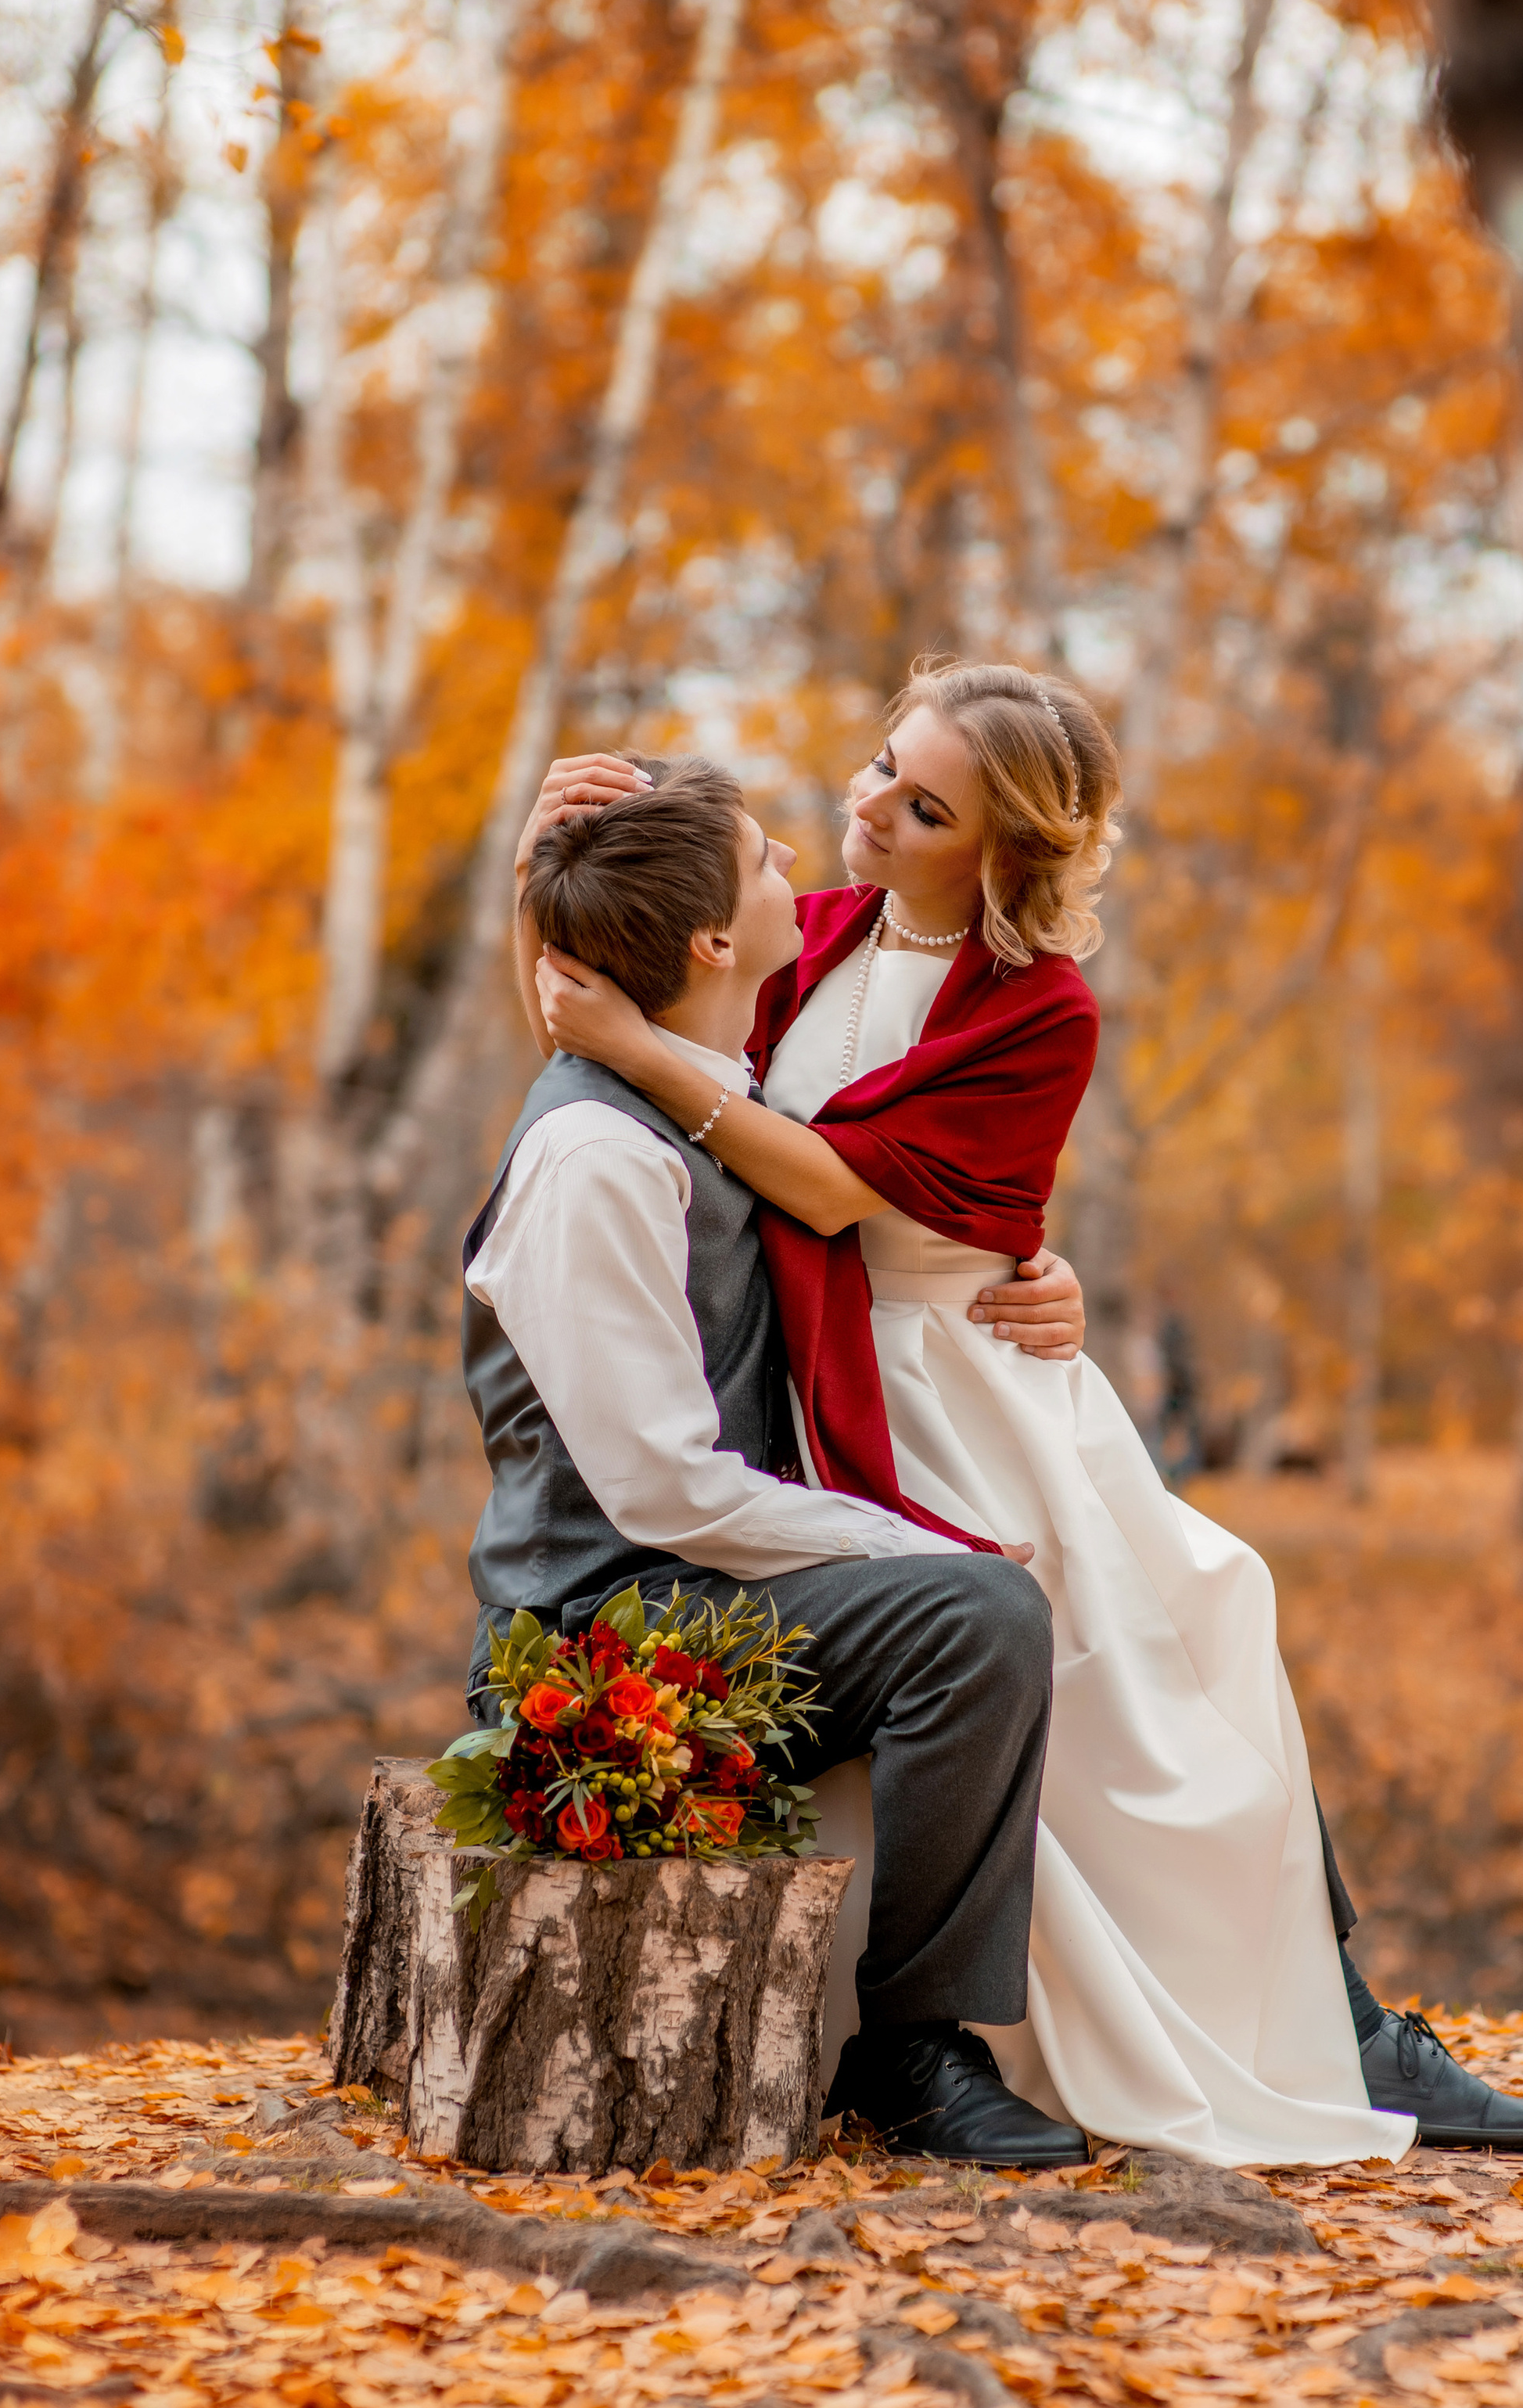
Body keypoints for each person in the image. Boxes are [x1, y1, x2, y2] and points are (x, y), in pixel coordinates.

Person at [522, 671, 1523, 2162]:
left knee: (1200, 1620)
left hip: (966, 1382)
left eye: (924, 806)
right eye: (882, 766)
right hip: (821, 1388)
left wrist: (1017, 1255)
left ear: (1001, 856)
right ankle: (970, 2034)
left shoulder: (1040, 1010)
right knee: (1059, 1654)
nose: (869, 806)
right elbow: (618, 998)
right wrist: (553, 859)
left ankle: (1333, 2021)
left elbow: (822, 1181)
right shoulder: (805, 938)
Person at [460, 762, 1094, 2170]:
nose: (797, 864)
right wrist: (916, 1549)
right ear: (708, 946)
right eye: (763, 861)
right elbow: (665, 1490)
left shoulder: (712, 1087)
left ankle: (1285, 2002)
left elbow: (864, 1202)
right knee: (978, 1616)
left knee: (1058, 1582)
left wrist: (1038, 1271)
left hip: (699, 1592)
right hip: (602, 1637)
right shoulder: (596, 1157)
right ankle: (913, 2048)